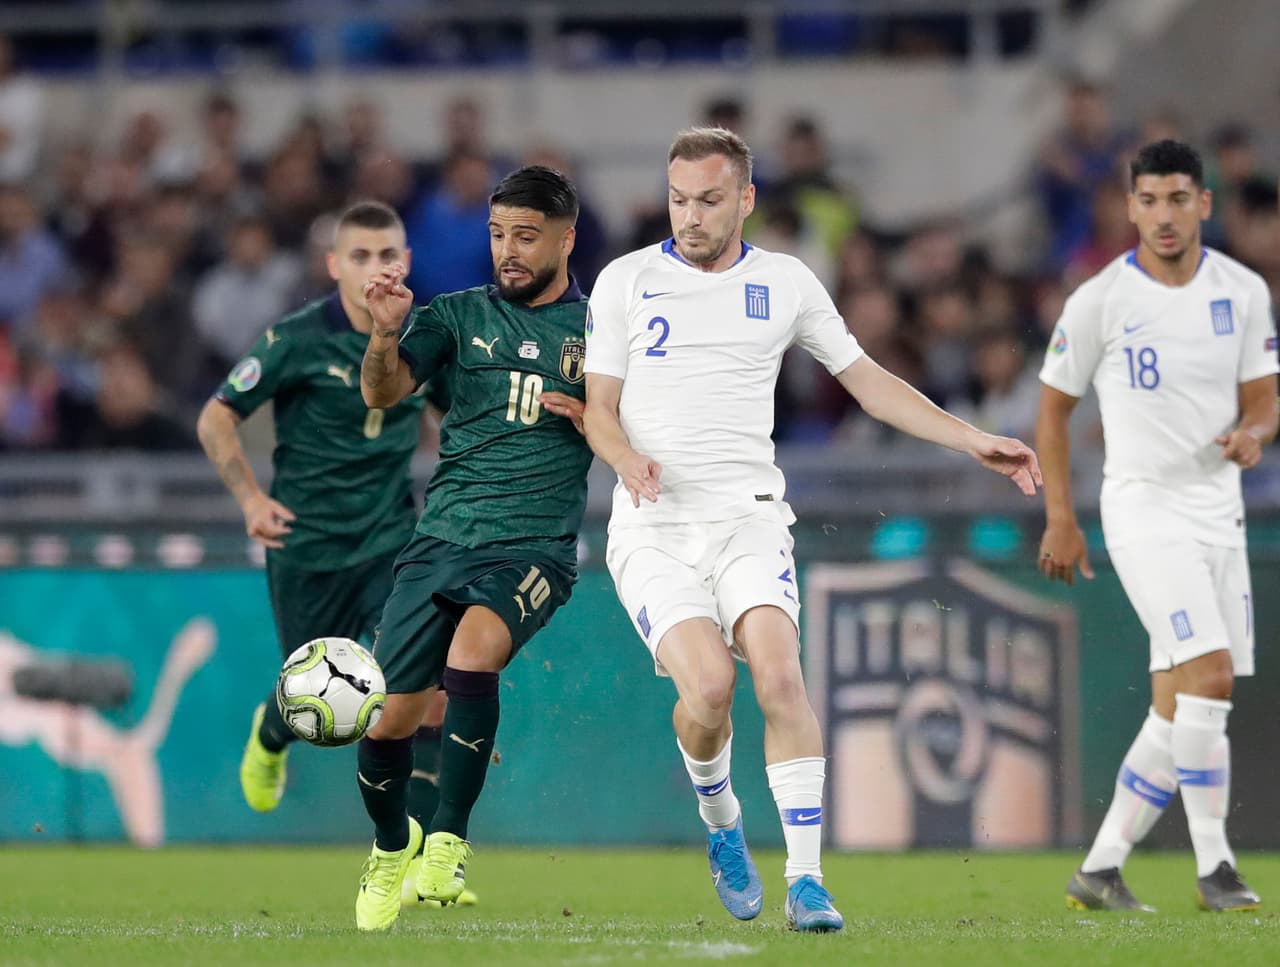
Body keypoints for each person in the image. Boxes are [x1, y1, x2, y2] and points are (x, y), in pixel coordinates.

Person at [581, 127, 1041, 933]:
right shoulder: (626, 280)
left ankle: (807, 881)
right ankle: (722, 820)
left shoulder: (787, 282)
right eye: (679, 199)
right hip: (654, 527)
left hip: (750, 519)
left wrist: (973, 439)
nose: (689, 216)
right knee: (710, 692)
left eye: (709, 200)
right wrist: (625, 459)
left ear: (747, 199)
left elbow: (868, 383)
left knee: (782, 677)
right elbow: (600, 410)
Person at [197, 203, 472, 907]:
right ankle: (270, 729)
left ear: (405, 261)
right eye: (361, 256)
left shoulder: (422, 337)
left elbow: (457, 417)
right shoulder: (295, 338)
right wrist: (252, 501)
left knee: (420, 693)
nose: (377, 268)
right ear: (334, 265)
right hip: (308, 549)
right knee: (321, 708)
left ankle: (420, 863)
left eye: (388, 254)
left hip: (391, 542)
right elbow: (217, 416)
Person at [1037, 139, 1276, 913]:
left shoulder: (1241, 290)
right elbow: (1054, 409)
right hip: (1143, 509)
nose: (1163, 215)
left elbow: (1265, 394)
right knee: (1207, 674)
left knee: (1181, 701)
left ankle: (1100, 869)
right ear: (1129, 205)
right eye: (1149, 200)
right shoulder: (1101, 298)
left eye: (1179, 198)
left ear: (1204, 203)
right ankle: (1216, 868)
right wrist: (1062, 516)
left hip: (1220, 514)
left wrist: (1256, 433)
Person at [352, 165, 592, 932]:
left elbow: (648, 431)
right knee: (387, 721)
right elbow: (382, 394)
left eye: (525, 235)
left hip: (535, 546)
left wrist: (599, 422)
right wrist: (386, 333)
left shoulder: (602, 332)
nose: (508, 251)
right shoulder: (454, 315)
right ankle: (395, 845)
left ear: (566, 238)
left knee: (473, 654)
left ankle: (448, 842)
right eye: (498, 235)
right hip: (441, 539)